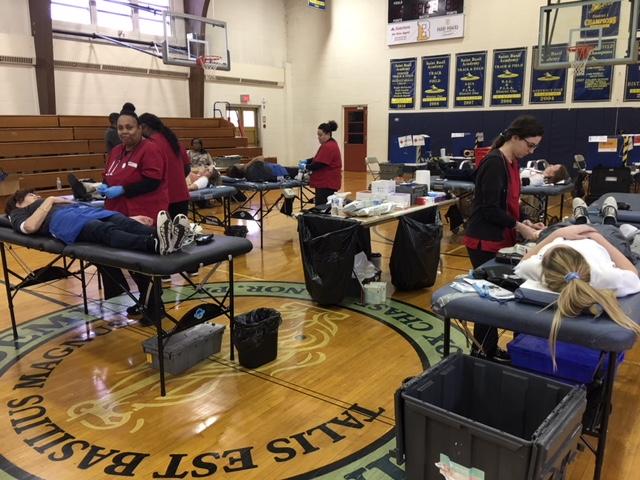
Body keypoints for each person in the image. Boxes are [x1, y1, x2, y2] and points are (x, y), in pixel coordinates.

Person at [515, 199, 640, 367]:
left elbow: (522, 262)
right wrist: (596, 237)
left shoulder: (540, 269)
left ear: (544, 262)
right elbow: (633, 273)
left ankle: (581, 219)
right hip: (597, 240)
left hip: (563, 235)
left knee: (554, 229)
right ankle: (608, 219)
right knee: (610, 231)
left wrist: (558, 234)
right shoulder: (601, 275)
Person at [463, 115, 545, 360]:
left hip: (503, 238)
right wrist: (519, 226)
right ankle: (482, 352)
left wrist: (525, 221)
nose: (531, 151)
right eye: (530, 145)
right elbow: (489, 209)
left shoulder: (513, 162)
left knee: (497, 297)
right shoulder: (493, 163)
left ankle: (486, 350)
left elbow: (511, 202)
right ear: (515, 137)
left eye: (535, 147)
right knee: (490, 301)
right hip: (484, 240)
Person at [4, 189, 186, 256]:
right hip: (66, 222)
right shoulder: (17, 212)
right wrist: (50, 200)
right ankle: (153, 245)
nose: (37, 196)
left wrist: (129, 218)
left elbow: (85, 207)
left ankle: (171, 236)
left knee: (120, 220)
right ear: (18, 202)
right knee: (103, 229)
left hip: (85, 212)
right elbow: (30, 227)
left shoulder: (50, 202)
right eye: (31, 195)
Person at [139, 113, 191, 218]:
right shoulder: (175, 141)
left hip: (162, 199)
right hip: (181, 196)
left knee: (162, 229)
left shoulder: (149, 145)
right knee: (180, 228)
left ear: (144, 127)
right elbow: (187, 168)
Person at [308, 120, 342, 206]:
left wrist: (306, 167)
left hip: (326, 183)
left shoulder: (328, 146)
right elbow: (318, 158)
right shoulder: (330, 143)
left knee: (322, 207)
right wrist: (307, 161)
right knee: (326, 207)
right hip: (328, 183)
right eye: (318, 135)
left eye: (320, 135)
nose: (318, 137)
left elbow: (320, 164)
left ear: (328, 134)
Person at [226, 156, 295, 182]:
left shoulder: (248, 177)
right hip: (280, 171)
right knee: (299, 171)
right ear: (239, 168)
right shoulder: (252, 167)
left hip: (279, 173)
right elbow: (261, 157)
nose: (238, 163)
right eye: (236, 164)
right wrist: (249, 163)